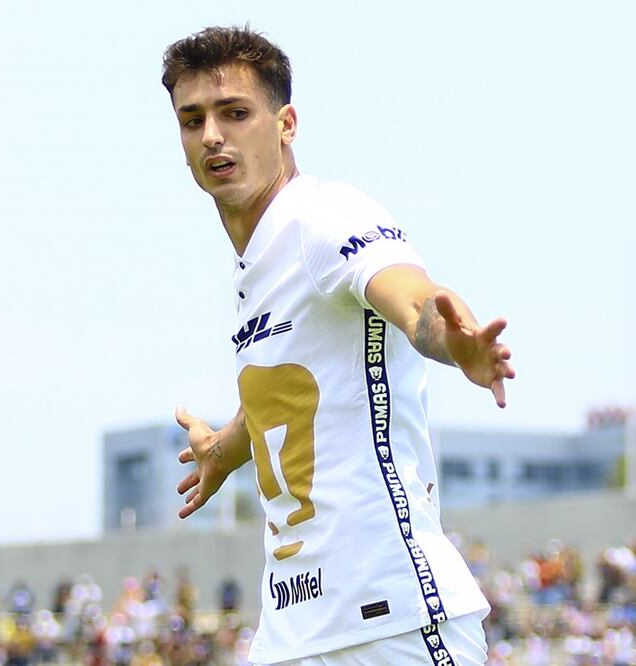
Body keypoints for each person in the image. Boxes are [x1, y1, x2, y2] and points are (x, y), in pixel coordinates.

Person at [162, 26, 515, 666]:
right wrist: (227, 448)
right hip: (294, 634)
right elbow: (296, 388)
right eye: (193, 120)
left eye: (235, 113)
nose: (212, 134)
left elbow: (409, 297)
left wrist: (447, 339)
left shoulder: (325, 218)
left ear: (286, 123)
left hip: (393, 624)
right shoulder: (257, 266)